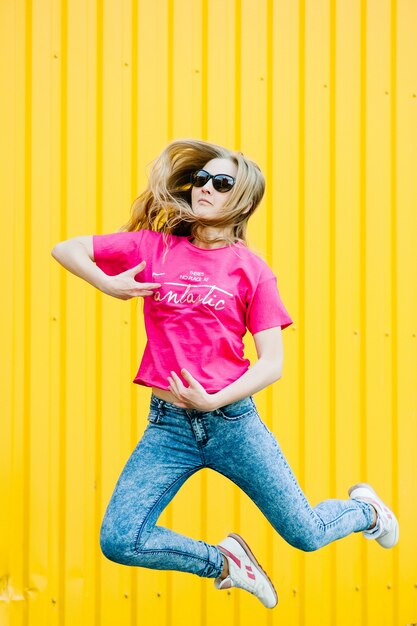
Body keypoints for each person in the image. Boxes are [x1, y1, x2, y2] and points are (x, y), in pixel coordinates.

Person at [51, 138, 399, 609]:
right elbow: (66, 248)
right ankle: (225, 564)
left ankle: (365, 511)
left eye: (221, 182)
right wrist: (107, 283)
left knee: (308, 535)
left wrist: (215, 401)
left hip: (233, 424)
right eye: (200, 179)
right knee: (120, 539)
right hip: (168, 428)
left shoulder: (252, 270)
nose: (205, 189)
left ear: (244, 200)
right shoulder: (154, 248)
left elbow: (272, 362)